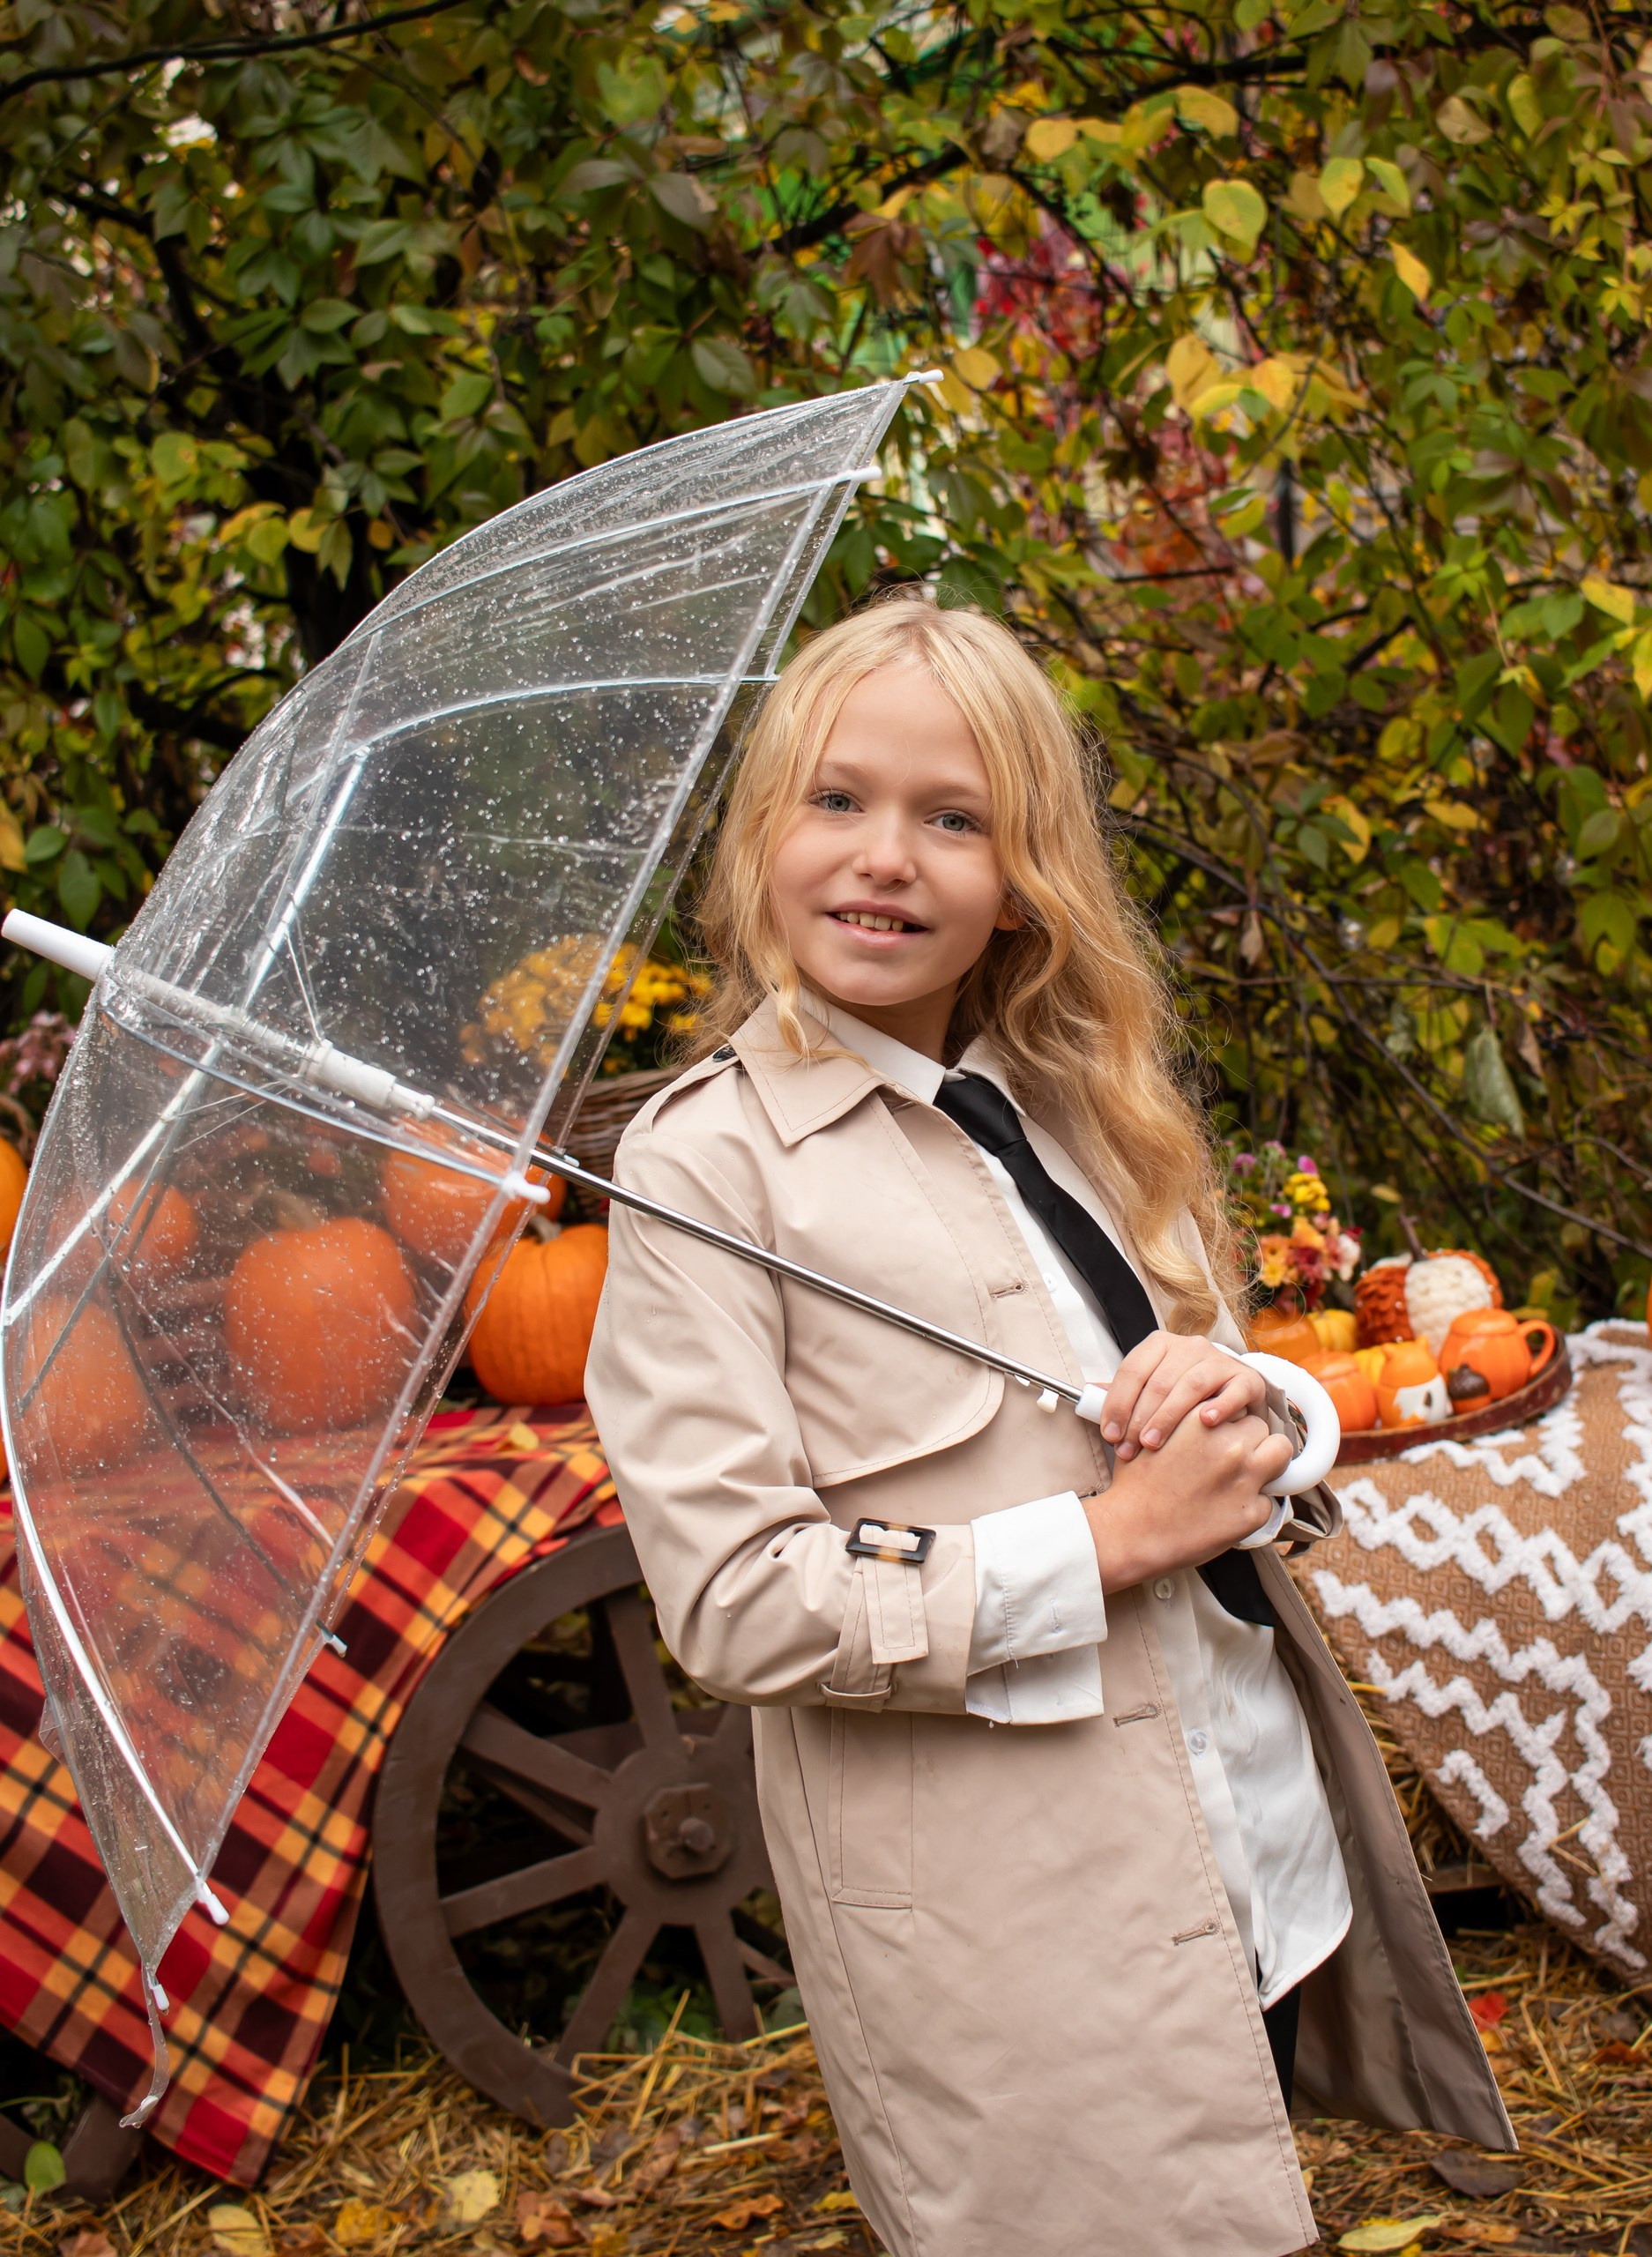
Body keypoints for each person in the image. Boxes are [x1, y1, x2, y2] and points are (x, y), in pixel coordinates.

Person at [584, 598, 1511, 2257]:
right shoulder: (704, 1170)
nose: (887, 858)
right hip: (1011, 1908)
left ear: (1022, 873)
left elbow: (1254, 1392)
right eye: (837, 800)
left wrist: (1256, 1402)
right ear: (759, 833)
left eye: (954, 819)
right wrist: (1100, 1543)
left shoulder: (1078, 1099)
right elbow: (730, 1601)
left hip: (1236, 1809)